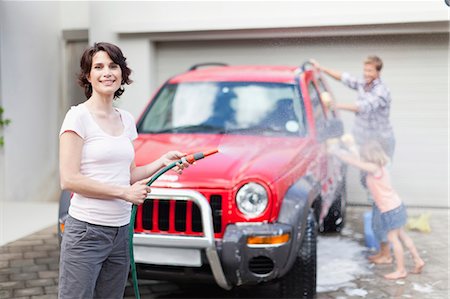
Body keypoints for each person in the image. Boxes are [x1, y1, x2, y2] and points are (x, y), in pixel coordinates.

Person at [58, 42, 189, 299]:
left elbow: (128, 175)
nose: (107, 72)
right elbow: (69, 179)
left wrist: (162, 162)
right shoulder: (78, 117)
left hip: (119, 233)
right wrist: (124, 194)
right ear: (88, 76)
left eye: (113, 66)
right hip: (87, 231)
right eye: (99, 67)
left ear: (122, 73)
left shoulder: (126, 119)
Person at [311, 56, 395, 264]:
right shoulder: (364, 84)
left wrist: (335, 106)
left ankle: (384, 241)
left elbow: (362, 108)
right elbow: (344, 78)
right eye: (365, 70)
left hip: (380, 143)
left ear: (378, 72)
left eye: (370, 72)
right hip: (365, 141)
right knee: (369, 184)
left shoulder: (380, 91)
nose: (366, 74)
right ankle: (380, 226)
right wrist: (322, 67)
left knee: (376, 187)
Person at [329, 140, 425, 280]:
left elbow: (356, 162)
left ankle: (401, 270)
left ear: (369, 156)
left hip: (391, 210)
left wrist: (336, 152)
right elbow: (358, 160)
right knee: (403, 236)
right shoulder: (382, 166)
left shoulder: (374, 169)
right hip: (396, 207)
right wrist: (350, 148)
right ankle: (418, 260)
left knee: (394, 239)